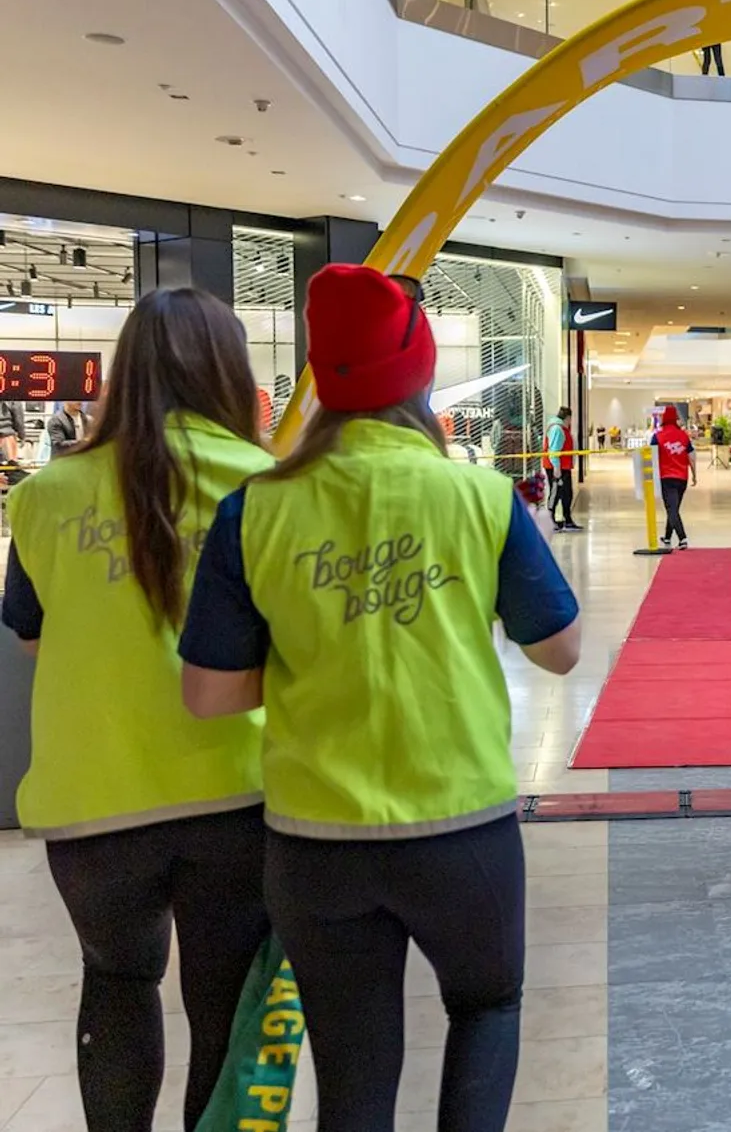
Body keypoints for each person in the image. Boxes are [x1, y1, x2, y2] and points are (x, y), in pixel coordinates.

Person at [176, 265, 581, 1130]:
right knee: (486, 1008)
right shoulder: (480, 496)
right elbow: (559, 650)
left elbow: (208, 694)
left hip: (315, 841)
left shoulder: (256, 509)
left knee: (354, 1071)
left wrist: (314, 655)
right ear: (420, 373)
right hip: (460, 826)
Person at [0, 289, 273, 1132]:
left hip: (90, 801)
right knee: (224, 1009)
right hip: (237, 788)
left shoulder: (44, 494)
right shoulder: (265, 485)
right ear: (230, 372)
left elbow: (32, 639)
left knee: (116, 982)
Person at [651, 405, 696, 551]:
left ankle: (683, 538)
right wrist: (695, 474)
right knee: (674, 507)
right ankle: (667, 536)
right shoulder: (684, 436)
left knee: (671, 509)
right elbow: (691, 456)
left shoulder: (657, 436)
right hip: (682, 477)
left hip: (666, 477)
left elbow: (651, 457)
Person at [543, 405, 580, 532]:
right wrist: (556, 468)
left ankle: (567, 520)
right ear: (568, 418)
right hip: (557, 468)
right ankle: (550, 520)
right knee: (556, 493)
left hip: (563, 467)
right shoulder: (557, 429)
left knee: (566, 493)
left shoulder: (561, 429)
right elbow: (553, 450)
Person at [0, 398, 26, 463]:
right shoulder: (13, 399)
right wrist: (22, 436)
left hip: (5, 433)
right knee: (10, 467)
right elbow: (19, 419)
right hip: (6, 437)